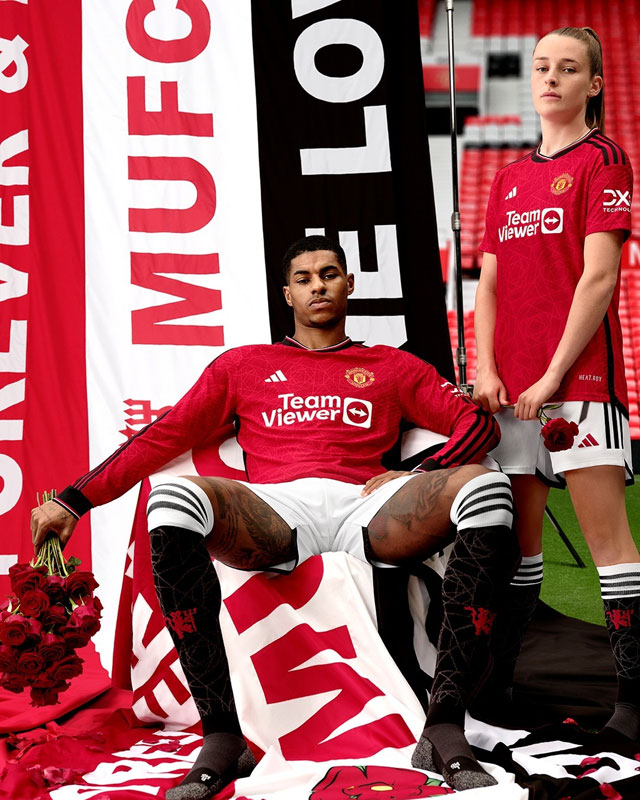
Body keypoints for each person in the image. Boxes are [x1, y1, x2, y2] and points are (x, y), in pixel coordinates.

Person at [32, 235, 518, 797]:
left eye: (329, 274)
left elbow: (479, 426)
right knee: (173, 500)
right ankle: (223, 735)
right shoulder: (244, 366)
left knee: (489, 488)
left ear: (349, 284)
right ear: (287, 293)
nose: (318, 286)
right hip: (278, 509)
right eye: (304, 278)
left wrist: (419, 470)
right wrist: (76, 499)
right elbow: (164, 435)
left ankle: (443, 725)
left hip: (368, 505)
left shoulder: (393, 365)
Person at [473, 27, 638, 739]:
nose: (550, 78)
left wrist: (550, 376)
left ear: (593, 84)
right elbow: (488, 285)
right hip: (510, 393)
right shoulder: (508, 177)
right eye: (541, 66)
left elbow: (599, 278)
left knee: (609, 544)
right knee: (519, 547)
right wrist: (486, 368)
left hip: (579, 384)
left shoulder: (605, 160)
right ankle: (501, 690)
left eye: (568, 68)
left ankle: (631, 705)